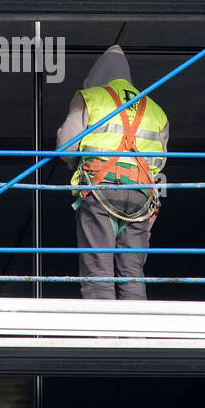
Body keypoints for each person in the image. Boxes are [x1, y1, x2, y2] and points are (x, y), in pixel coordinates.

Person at [56, 45, 169, 300]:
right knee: (132, 270)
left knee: (98, 268)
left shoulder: (91, 97)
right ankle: (134, 335)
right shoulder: (154, 108)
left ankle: (103, 335)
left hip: (100, 190)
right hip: (141, 195)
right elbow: (159, 161)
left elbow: (66, 148)